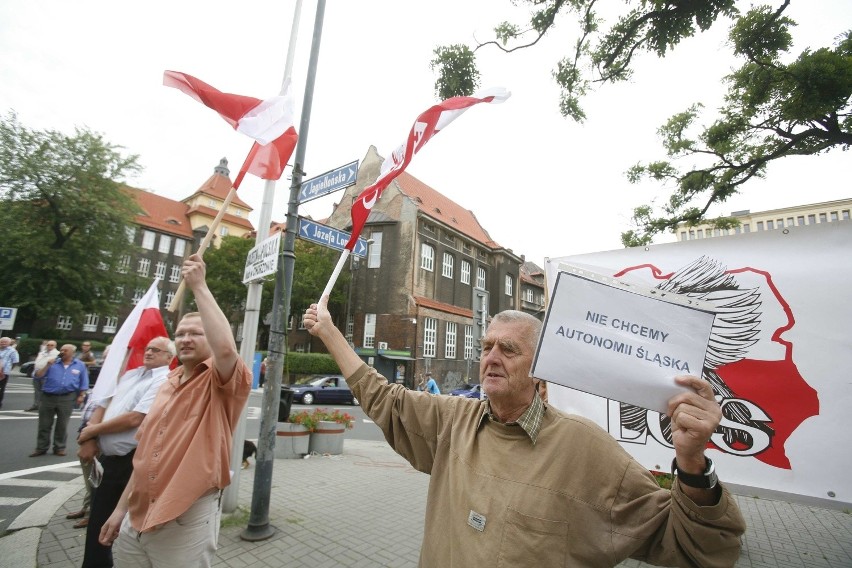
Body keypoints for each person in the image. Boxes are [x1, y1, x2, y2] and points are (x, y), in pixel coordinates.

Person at [303, 298, 746, 567]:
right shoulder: (454, 421)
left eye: (508, 349)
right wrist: (329, 332)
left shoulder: (583, 447)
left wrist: (691, 462)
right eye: (486, 347)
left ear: (539, 369)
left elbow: (696, 546)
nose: (491, 357)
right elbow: (385, 398)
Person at [99, 253, 251, 567]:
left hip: (184, 516)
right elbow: (145, 456)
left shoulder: (222, 383)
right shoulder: (167, 383)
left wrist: (199, 286)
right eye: (180, 333)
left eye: (195, 333)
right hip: (136, 516)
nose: (184, 338)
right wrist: (119, 511)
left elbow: (225, 349)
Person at [77, 336, 174, 568]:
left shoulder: (164, 380)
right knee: (98, 519)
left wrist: (91, 430)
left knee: (131, 521)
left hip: (132, 461)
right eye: (147, 348)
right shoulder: (131, 375)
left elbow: (136, 418)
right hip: (107, 460)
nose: (149, 352)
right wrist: (90, 435)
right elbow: (103, 402)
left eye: (156, 350)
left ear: (170, 358)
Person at [30, 344, 89, 457]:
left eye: (65, 350)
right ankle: (41, 447)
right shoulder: (52, 363)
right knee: (44, 424)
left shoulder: (79, 365)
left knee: (62, 424)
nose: (62, 351)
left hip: (67, 397)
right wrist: (47, 365)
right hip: (48, 396)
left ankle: (59, 447)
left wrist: (81, 395)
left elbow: (83, 382)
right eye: (61, 349)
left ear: (72, 353)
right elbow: (38, 376)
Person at [67, 397, 100, 529]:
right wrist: (82, 433)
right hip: (88, 434)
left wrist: (90, 437)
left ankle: (92, 514)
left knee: (95, 482)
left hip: (97, 437)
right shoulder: (100, 388)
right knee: (89, 479)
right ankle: (86, 508)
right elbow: (88, 415)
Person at [27, 340, 59, 412]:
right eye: (48, 345)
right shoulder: (42, 353)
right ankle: (36, 404)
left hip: (47, 375)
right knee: (37, 391)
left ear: (55, 346)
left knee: (45, 391)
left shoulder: (56, 354)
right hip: (37, 373)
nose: (49, 346)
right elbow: (37, 362)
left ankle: (44, 406)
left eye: (51, 345)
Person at [0, 336, 20, 410]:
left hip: (3, 372)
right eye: (2, 342)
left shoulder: (12, 351)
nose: (3, 343)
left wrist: (9, 369)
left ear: (9, 343)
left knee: (1, 388)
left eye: (5, 342)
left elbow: (15, 361)